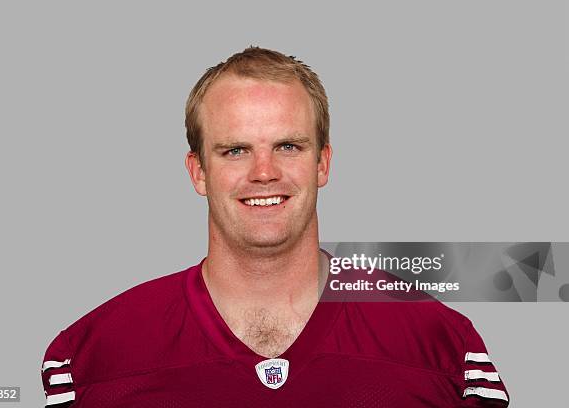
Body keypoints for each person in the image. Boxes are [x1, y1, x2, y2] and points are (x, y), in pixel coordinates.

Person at [41, 47, 510, 407]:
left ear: (323, 163)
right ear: (198, 171)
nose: (264, 172)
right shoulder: (89, 358)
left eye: (288, 146)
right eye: (235, 150)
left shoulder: (444, 349)